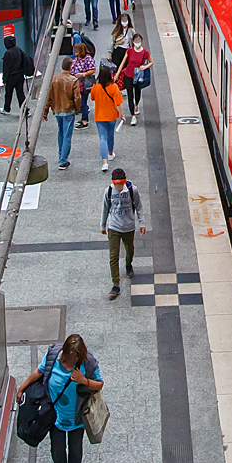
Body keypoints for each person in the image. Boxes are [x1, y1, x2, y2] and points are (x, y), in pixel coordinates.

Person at [14, 335, 104, 463]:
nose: (69, 361)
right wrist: (22, 388)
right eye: (68, 358)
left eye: (73, 358)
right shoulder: (53, 357)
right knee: (57, 449)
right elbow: (39, 372)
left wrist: (84, 381)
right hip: (55, 417)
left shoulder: (88, 363)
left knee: (76, 451)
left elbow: (99, 384)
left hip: (77, 418)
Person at [101, 167, 146, 299]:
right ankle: (115, 284)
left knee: (129, 248)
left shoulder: (133, 190)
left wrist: (141, 223)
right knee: (113, 256)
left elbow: (139, 206)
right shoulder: (109, 191)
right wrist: (103, 225)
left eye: (120, 184)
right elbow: (105, 208)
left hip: (128, 227)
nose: (118, 187)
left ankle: (128, 264)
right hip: (113, 227)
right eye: (116, 184)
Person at [45, 56, 80, 170]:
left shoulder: (54, 79)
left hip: (57, 109)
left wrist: (46, 111)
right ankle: (63, 160)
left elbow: (49, 96)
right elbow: (77, 98)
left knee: (60, 132)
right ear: (70, 67)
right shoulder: (73, 80)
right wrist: (78, 108)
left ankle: (61, 155)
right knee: (67, 135)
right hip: (68, 110)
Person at [113, 31, 154, 126]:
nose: (137, 42)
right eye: (136, 40)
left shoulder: (145, 52)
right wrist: (117, 74)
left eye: (139, 40)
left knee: (137, 92)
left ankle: (136, 105)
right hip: (128, 74)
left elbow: (151, 62)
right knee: (130, 94)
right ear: (133, 41)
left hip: (138, 75)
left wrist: (145, 67)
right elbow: (123, 63)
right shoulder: (129, 51)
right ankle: (133, 116)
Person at [89, 65, 124, 172]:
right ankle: (110, 153)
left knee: (102, 138)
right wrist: (121, 115)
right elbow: (118, 104)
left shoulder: (96, 86)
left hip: (99, 116)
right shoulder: (114, 87)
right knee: (110, 134)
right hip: (112, 115)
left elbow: (93, 97)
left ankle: (105, 163)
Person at [1, 34, 30, 114]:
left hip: (11, 76)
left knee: (8, 94)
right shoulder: (18, 50)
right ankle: (24, 109)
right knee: (20, 93)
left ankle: (6, 108)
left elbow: (6, 68)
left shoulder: (8, 53)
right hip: (20, 75)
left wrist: (5, 79)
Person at [71, 42, 97, 129]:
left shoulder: (88, 59)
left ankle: (84, 120)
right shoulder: (76, 58)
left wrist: (83, 74)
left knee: (83, 102)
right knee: (80, 101)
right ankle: (84, 117)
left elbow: (93, 70)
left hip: (84, 83)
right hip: (76, 83)